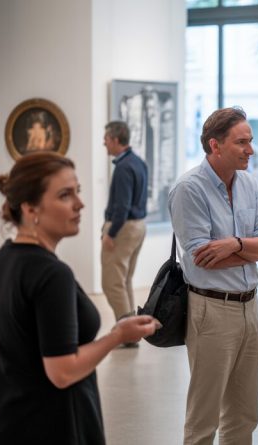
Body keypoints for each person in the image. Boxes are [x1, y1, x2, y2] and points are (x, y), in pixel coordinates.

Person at [0, 152, 158, 445]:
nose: (79, 204)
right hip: (49, 426)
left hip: (4, 422)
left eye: (78, 191)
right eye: (65, 195)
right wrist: (118, 335)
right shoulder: (52, 275)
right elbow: (62, 372)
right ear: (30, 208)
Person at [168, 107, 258, 445]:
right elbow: (203, 260)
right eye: (242, 142)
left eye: (251, 141)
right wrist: (251, 250)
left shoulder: (248, 183)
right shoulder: (190, 189)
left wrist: (234, 243)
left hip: (250, 309)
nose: (251, 149)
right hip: (211, 312)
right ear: (215, 146)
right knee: (204, 420)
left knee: (244, 416)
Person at [101, 121, 148, 346]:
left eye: (106, 139)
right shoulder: (138, 162)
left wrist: (111, 233)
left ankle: (127, 333)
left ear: (116, 140)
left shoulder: (122, 168)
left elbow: (122, 206)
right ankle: (131, 330)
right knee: (125, 279)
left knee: (112, 282)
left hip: (123, 228)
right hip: (139, 226)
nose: (104, 142)